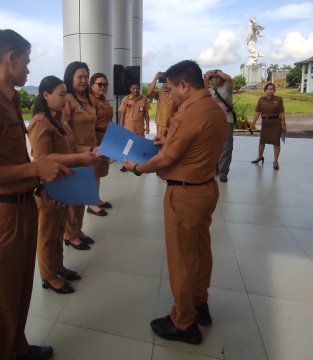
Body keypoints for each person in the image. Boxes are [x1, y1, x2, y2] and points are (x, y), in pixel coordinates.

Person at [0, 29, 68, 360]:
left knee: (20, 290)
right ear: (11, 57)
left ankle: (16, 349)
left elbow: (10, 161)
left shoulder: (7, 101)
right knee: (1, 298)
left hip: (22, 208)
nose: (29, 69)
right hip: (3, 218)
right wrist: (34, 170)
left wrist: (35, 183)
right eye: (27, 61)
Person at [123, 60, 227, 345]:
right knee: (200, 251)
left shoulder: (190, 112)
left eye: (171, 89)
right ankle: (199, 303)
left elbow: (168, 159)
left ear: (184, 84)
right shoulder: (213, 109)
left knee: (182, 258)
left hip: (185, 194)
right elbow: (187, 146)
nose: (170, 95)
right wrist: (166, 144)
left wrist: (136, 168)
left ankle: (184, 321)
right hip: (205, 187)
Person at [28, 75, 98, 294]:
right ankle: (48, 275)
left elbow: (69, 148)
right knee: (48, 233)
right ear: (45, 95)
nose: (65, 98)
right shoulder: (40, 122)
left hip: (62, 182)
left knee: (58, 229)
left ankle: (58, 266)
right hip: (48, 186)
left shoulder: (58, 119)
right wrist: (80, 159)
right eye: (60, 94)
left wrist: (89, 152)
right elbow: (43, 159)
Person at [62, 61, 98, 249]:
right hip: (76, 154)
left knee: (83, 195)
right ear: (70, 78)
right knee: (73, 197)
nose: (84, 80)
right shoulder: (67, 99)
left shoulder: (86, 99)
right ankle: (69, 234)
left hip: (90, 154)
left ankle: (78, 229)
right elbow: (63, 131)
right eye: (79, 77)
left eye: (86, 77)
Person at [88, 72, 114, 216]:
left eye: (105, 84)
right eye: (99, 84)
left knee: (98, 172)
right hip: (96, 138)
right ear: (92, 85)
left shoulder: (104, 100)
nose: (103, 87)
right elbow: (90, 124)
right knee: (93, 172)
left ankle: (96, 199)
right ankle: (91, 203)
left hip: (106, 137)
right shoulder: (91, 101)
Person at [205, 69, 234, 182]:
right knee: (213, 146)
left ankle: (223, 172)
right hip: (213, 122)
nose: (215, 79)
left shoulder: (227, 87)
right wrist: (207, 77)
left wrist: (216, 71)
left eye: (217, 77)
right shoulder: (210, 90)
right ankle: (215, 168)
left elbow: (229, 78)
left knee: (226, 147)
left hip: (227, 120)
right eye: (213, 78)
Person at [250, 83, 286, 170]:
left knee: (276, 142)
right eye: (268, 89)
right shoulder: (261, 99)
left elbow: (281, 113)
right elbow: (257, 113)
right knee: (262, 141)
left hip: (276, 123)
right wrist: (253, 123)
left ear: (274, 90)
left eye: (272, 89)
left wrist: (284, 124)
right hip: (265, 124)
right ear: (265, 90)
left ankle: (275, 161)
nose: (270, 91)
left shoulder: (279, 99)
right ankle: (260, 157)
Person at [119, 82, 150, 172]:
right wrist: (121, 127)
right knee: (127, 148)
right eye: (134, 88)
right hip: (128, 128)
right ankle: (125, 165)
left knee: (139, 147)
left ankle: (139, 165)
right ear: (130, 89)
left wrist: (147, 126)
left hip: (139, 128)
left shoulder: (144, 99)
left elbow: (146, 114)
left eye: (137, 88)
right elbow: (122, 114)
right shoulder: (126, 99)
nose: (136, 90)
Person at [147, 71, 175, 138]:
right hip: (161, 123)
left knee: (171, 142)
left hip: (173, 123)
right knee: (159, 142)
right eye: (164, 81)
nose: (165, 83)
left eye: (167, 80)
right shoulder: (159, 93)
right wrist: (155, 79)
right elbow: (149, 92)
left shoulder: (175, 93)